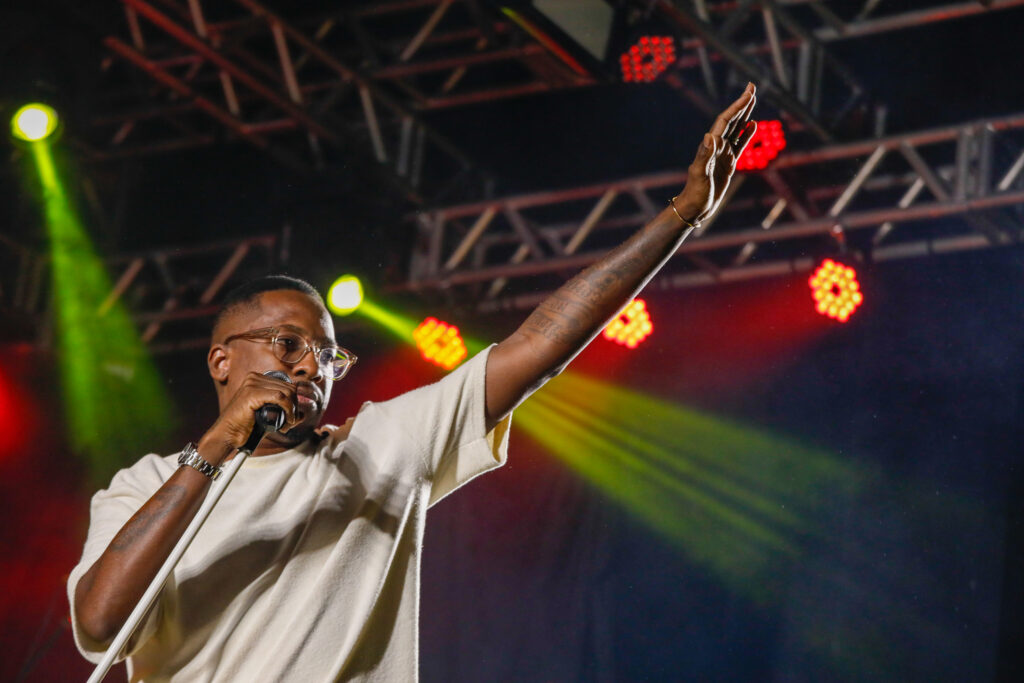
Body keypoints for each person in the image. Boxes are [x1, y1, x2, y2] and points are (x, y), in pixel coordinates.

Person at [68, 84, 758, 681]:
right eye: (288, 344)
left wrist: (680, 217)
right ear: (222, 360)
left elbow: (538, 344)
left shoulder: (380, 447)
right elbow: (101, 625)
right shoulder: (143, 486)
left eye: (327, 356)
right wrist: (218, 446)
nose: (310, 366)